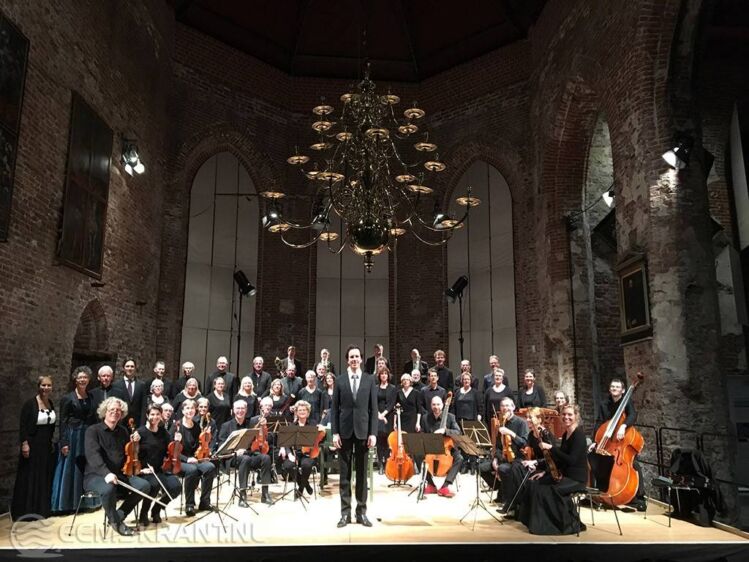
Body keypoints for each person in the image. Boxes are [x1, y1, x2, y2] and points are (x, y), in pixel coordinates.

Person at [83, 397, 150, 536]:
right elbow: (93, 455)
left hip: (119, 474)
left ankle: (119, 515)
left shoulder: (123, 431)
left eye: (118, 410)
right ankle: (117, 524)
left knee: (143, 486)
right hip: (96, 475)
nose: (115, 412)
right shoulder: (93, 431)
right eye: (112, 409)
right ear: (104, 412)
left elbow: (128, 454)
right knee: (109, 488)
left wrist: (135, 447)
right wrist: (106, 473)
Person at [518, 404, 587, 534]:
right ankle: (539, 523)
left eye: (570, 414)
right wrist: (545, 472)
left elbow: (571, 460)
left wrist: (551, 448)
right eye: (564, 414)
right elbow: (561, 460)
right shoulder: (566, 434)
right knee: (536, 484)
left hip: (577, 479)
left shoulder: (579, 435)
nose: (566, 417)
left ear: (576, 416)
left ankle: (565, 524)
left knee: (547, 490)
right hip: (565, 475)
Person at [331, 344, 378, 527]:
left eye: (357, 356)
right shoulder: (340, 380)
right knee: (344, 476)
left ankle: (361, 513)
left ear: (361, 359)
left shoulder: (369, 380)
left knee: (361, 476)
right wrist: (335, 433)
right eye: (351, 357)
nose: (354, 359)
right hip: (344, 433)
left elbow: (373, 409)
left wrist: (373, 433)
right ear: (347, 360)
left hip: (363, 433)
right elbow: (334, 409)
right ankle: (345, 514)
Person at [590, 378, 646, 511]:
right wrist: (594, 441)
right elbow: (599, 422)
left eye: (617, 387)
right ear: (610, 389)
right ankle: (598, 493)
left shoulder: (626, 402)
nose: (614, 389)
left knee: (634, 465)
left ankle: (639, 498)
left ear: (623, 390)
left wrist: (623, 426)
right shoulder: (604, 404)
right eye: (612, 387)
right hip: (609, 443)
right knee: (595, 459)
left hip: (622, 440)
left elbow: (632, 415)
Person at [51, 367, 101, 513]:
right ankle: (67, 504)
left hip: (87, 436)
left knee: (86, 468)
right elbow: (63, 422)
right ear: (75, 379)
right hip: (73, 436)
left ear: (89, 379)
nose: (83, 380)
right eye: (80, 377)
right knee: (71, 469)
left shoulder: (91, 397)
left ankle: (86, 503)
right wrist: (64, 442)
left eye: (85, 377)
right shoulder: (68, 398)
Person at [11, 375, 57, 521]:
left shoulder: (50, 403)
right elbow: (23, 426)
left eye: (48, 385)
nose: (46, 388)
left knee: (42, 477)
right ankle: (25, 511)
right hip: (32, 445)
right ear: (38, 386)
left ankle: (40, 509)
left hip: (45, 446)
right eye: (43, 385)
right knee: (29, 477)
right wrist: (24, 443)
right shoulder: (30, 404)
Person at [219, 400, 273, 506]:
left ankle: (265, 494)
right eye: (238, 408)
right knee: (245, 459)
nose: (240, 411)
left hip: (249, 454)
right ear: (233, 410)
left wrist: (263, 424)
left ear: (246, 410)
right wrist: (235, 450)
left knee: (266, 458)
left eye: (242, 408)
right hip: (233, 457)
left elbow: (262, 430)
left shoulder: (251, 423)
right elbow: (222, 445)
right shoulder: (226, 426)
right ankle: (242, 495)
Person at [136, 405, 181, 525]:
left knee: (176, 487)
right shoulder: (140, 432)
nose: (155, 417)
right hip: (146, 470)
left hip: (161, 469)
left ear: (161, 416)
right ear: (147, 415)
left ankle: (157, 508)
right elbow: (134, 453)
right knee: (154, 485)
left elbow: (171, 450)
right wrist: (142, 468)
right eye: (152, 414)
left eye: (157, 414)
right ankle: (143, 513)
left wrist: (177, 441)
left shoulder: (163, 432)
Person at [480, 397, 529, 504]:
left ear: (513, 407)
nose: (505, 408)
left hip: (516, 459)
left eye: (507, 405)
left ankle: (506, 497)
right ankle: (500, 488)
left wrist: (511, 433)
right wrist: (495, 459)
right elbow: (498, 445)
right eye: (502, 406)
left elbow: (524, 443)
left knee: (502, 469)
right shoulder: (501, 423)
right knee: (481, 468)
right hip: (503, 458)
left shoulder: (521, 423)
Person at [174, 399, 217, 516]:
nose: (190, 410)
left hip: (194, 459)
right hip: (179, 460)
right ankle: (190, 504)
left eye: (192, 408)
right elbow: (172, 449)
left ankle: (205, 502)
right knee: (192, 470)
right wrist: (186, 459)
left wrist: (203, 455)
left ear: (195, 410)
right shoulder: (177, 426)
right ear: (183, 410)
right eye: (187, 408)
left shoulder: (197, 427)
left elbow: (198, 446)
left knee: (210, 467)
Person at [278, 400, 322, 499]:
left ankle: (301, 488)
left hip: (308, 453)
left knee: (307, 465)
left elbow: (320, 437)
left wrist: (321, 429)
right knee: (288, 465)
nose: (302, 412)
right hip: (295, 453)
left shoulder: (313, 424)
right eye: (300, 410)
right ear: (296, 413)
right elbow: (286, 442)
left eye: (304, 410)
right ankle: (305, 484)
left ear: (308, 412)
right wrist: (290, 455)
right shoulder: (291, 426)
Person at [421, 396, 462, 497]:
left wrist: (446, 431)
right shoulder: (425, 418)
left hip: (447, 447)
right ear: (431, 406)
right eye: (434, 404)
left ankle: (445, 486)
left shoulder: (450, 417)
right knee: (417, 454)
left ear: (443, 405)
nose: (436, 407)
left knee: (459, 458)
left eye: (438, 404)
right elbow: (422, 434)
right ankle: (431, 485)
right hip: (432, 446)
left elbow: (458, 432)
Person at [375, 368, 397, 474]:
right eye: (382, 374)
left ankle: (387, 463)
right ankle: (380, 464)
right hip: (377, 416)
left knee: (388, 441)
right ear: (379, 376)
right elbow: (373, 402)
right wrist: (379, 414)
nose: (384, 375)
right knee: (379, 441)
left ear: (388, 376)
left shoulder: (393, 388)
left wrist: (383, 414)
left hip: (389, 417)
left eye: (385, 374)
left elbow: (392, 403)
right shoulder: (375, 388)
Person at [113, 358, 147, 427]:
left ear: (135, 368)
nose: (130, 368)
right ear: (123, 368)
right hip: (120, 422)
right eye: (127, 366)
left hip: (137, 423)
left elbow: (144, 406)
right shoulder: (116, 385)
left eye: (132, 366)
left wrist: (142, 425)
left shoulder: (141, 385)